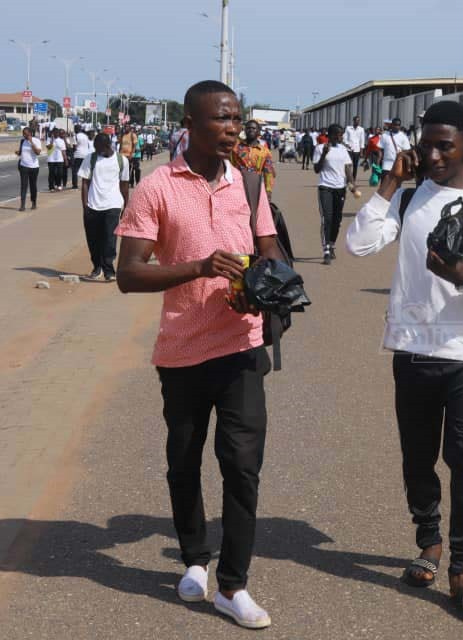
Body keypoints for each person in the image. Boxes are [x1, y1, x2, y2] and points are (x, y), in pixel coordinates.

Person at [115, 80, 284, 631]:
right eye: (223, 118)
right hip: (183, 350)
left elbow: (270, 250)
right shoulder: (157, 186)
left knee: (242, 467)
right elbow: (129, 273)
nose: (235, 127)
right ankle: (194, 559)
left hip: (241, 346)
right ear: (190, 121)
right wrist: (200, 267)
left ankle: (234, 586)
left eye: (237, 117)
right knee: (184, 464)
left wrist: (265, 281)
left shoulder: (250, 183)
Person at [345, 100, 463, 619]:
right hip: (414, 352)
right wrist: (389, 185)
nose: (436, 154)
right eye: (428, 144)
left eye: (447, 145)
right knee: (418, 459)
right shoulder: (410, 198)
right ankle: (429, 544)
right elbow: (357, 246)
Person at [78, 133, 130, 281]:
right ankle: (97, 267)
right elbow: (85, 183)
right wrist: (85, 205)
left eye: (97, 147)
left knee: (109, 238)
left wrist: (126, 205)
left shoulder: (122, 161)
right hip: (92, 205)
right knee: (93, 239)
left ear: (107, 146)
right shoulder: (91, 158)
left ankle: (109, 270)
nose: (95, 149)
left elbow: (124, 184)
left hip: (113, 204)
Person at [313, 124, 356, 265]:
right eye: (337, 134)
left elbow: (348, 168)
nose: (340, 137)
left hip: (340, 188)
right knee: (327, 218)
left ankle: (331, 245)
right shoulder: (320, 148)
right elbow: (316, 169)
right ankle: (325, 249)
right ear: (330, 135)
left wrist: (352, 184)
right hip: (325, 187)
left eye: (341, 134)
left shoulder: (343, 150)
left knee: (337, 220)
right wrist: (324, 154)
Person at [231, 120, 277, 198]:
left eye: (254, 128)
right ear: (245, 130)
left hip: (256, 187)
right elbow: (230, 167)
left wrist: (268, 190)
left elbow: (268, 172)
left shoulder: (264, 151)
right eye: (248, 128)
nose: (251, 130)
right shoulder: (235, 148)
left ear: (258, 131)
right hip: (237, 186)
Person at [16, 127, 42, 211]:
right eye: (23, 134)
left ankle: (34, 202)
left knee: (33, 185)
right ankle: (22, 205)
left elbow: (38, 153)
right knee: (23, 186)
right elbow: (20, 152)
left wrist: (31, 142)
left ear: (30, 133)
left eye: (26, 134)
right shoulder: (22, 141)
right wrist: (18, 152)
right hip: (24, 166)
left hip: (34, 167)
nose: (24, 135)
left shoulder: (37, 140)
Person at [73, 125, 93, 190]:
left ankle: (75, 185)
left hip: (78, 154)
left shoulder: (76, 136)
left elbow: (75, 147)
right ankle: (87, 183)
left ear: (76, 129)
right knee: (85, 170)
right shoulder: (86, 136)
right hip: (85, 154)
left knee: (75, 170)